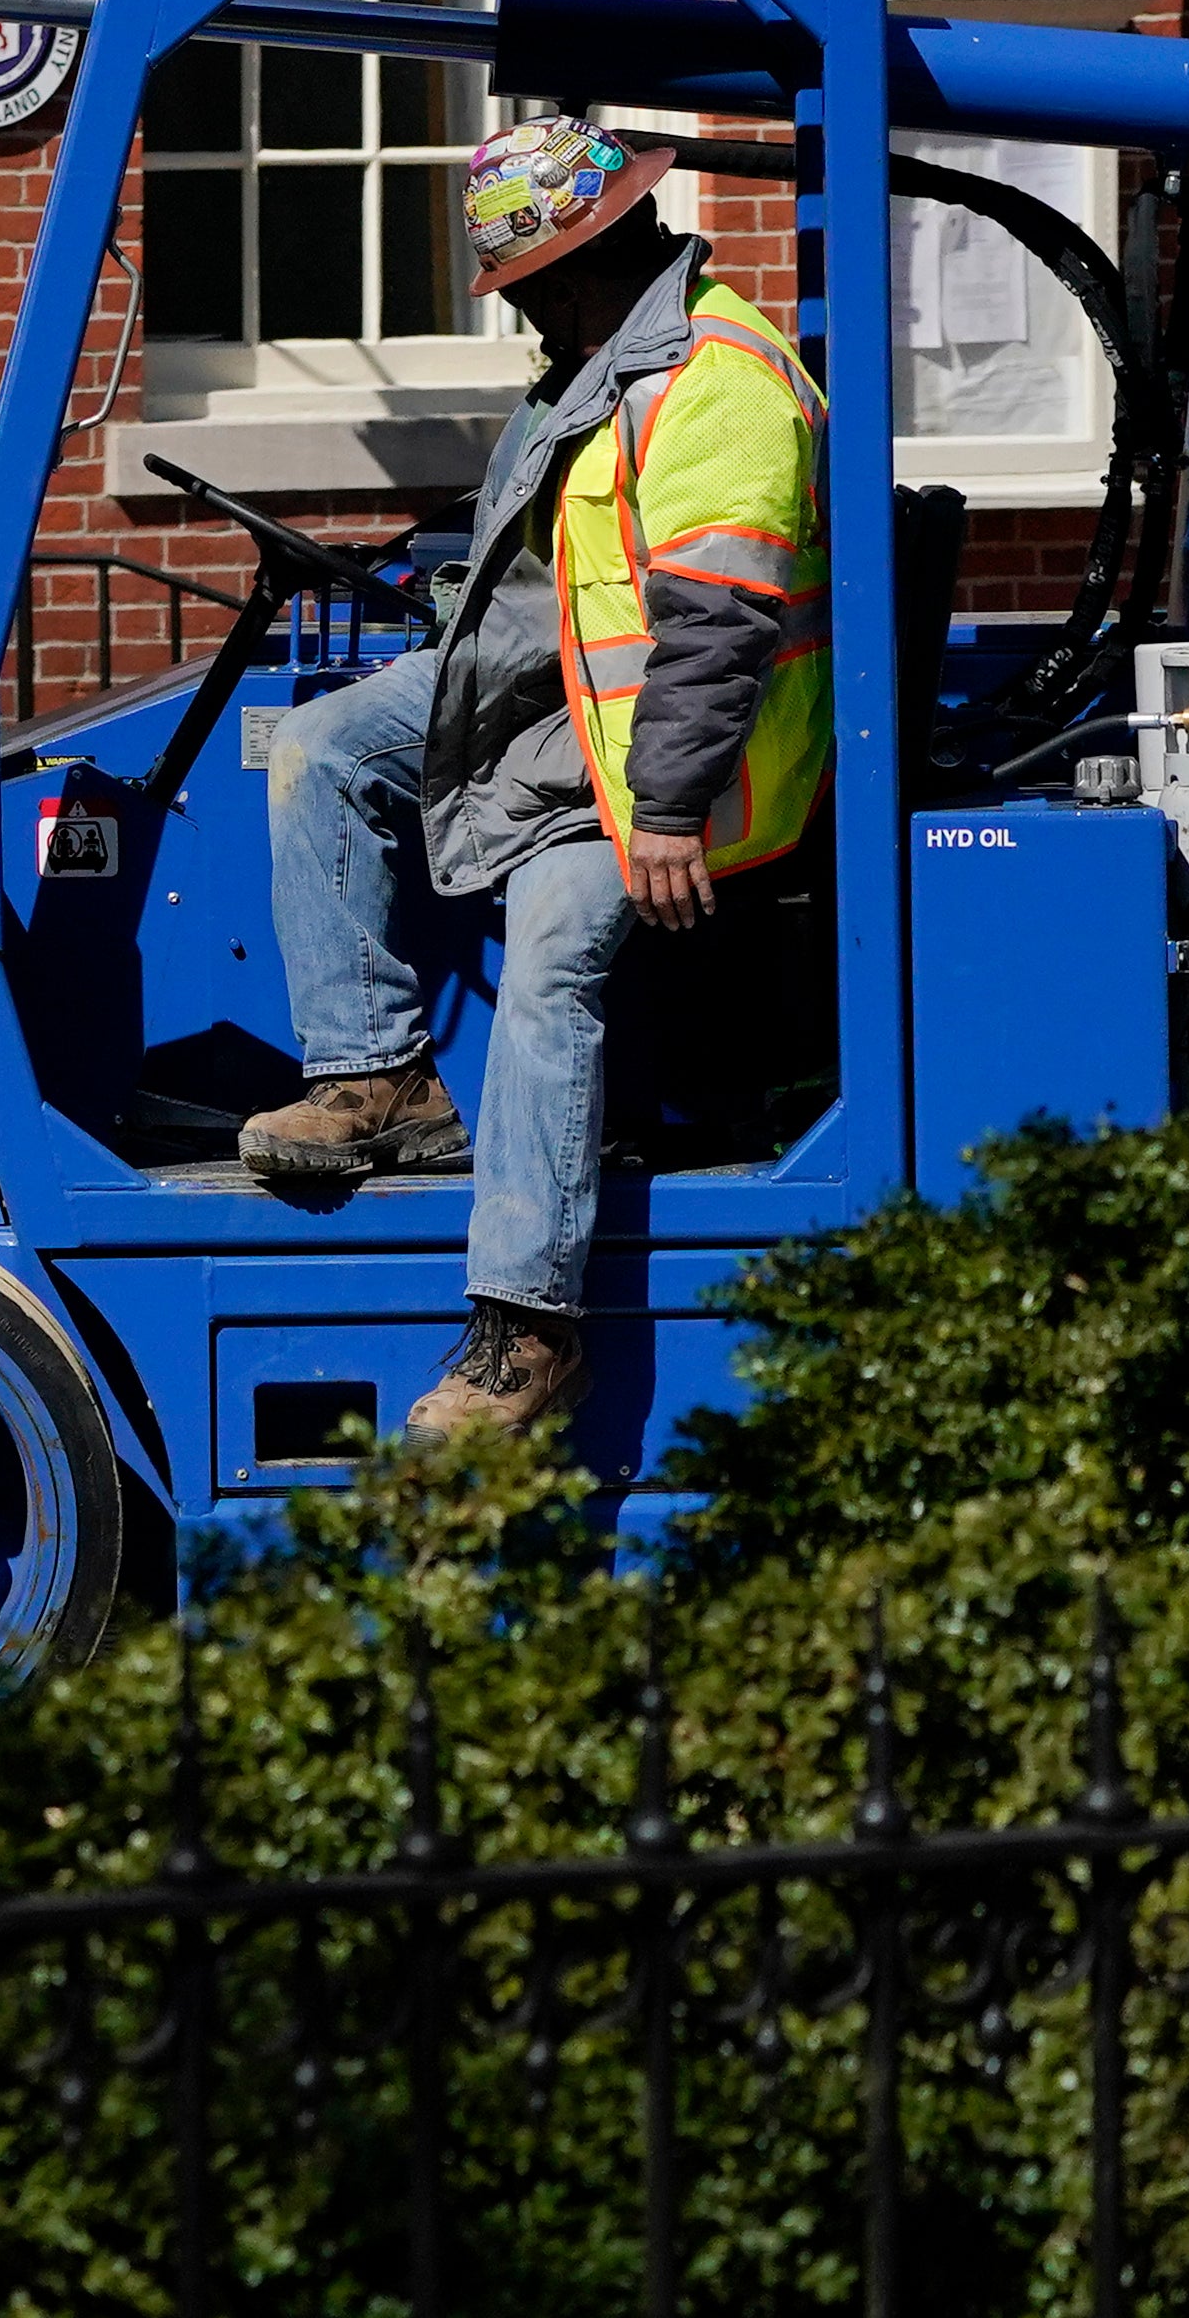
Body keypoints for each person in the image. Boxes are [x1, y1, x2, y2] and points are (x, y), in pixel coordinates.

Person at [239, 113, 832, 1444]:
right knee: (322, 747)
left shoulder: (716, 380)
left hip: (679, 770)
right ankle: (377, 1074)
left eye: (530, 285)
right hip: (561, 713)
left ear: (598, 254)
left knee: (551, 952)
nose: (519, 313)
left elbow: (715, 628)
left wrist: (664, 812)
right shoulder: (595, 367)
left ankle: (527, 1328)